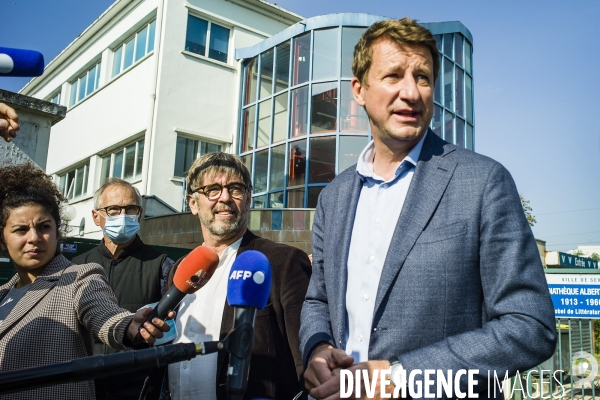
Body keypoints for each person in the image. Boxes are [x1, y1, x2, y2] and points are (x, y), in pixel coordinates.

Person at [300, 18, 557, 399]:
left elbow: (529, 325)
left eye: (422, 77)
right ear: (359, 90)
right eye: (393, 76)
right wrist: (317, 347)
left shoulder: (483, 182)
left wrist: (400, 377)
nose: (411, 92)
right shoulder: (334, 196)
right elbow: (317, 299)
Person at [0, 163, 171, 400]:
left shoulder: (80, 275)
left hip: (133, 385)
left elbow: (105, 314)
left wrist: (128, 326)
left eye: (44, 227)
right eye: (20, 230)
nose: (34, 238)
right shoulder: (4, 294)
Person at [163, 152, 311, 400]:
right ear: (192, 203)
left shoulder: (282, 263)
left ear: (249, 198)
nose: (225, 198)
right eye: (212, 189)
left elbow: (306, 363)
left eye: (236, 188)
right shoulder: (180, 269)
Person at [73, 177, 174, 399]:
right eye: (113, 209)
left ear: (139, 214)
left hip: (139, 385)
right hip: (85, 384)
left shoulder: (161, 265)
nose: (123, 216)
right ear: (95, 217)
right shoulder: (76, 267)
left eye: (130, 209)